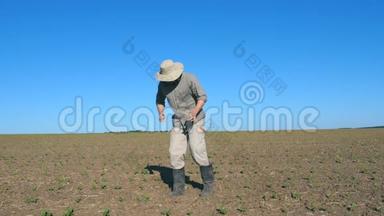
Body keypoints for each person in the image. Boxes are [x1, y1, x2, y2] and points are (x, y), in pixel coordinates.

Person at [155, 59, 214, 197]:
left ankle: (208, 184)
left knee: (197, 149)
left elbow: (202, 96)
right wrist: (161, 111)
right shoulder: (162, 85)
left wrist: (195, 111)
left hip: (196, 119)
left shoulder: (189, 78)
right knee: (175, 152)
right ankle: (179, 187)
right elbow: (159, 100)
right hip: (178, 121)